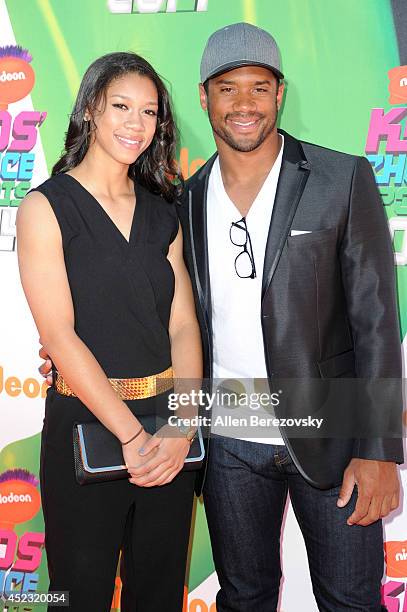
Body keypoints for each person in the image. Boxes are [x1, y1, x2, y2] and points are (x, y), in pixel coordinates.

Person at [174, 23, 402, 612]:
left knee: (351, 601)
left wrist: (378, 449)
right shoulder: (185, 199)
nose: (243, 103)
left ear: (280, 93)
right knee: (243, 598)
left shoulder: (340, 178)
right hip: (227, 444)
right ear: (205, 98)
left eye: (258, 87)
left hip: (332, 436)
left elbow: (377, 321)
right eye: (227, 88)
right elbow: (169, 315)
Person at [17, 52, 202, 612]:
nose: (135, 124)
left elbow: (184, 324)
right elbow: (60, 335)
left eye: (149, 113)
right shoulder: (46, 207)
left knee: (160, 592)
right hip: (85, 427)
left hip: (167, 432)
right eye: (121, 106)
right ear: (91, 110)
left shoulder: (161, 212)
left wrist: (182, 426)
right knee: (79, 594)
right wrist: (131, 436)